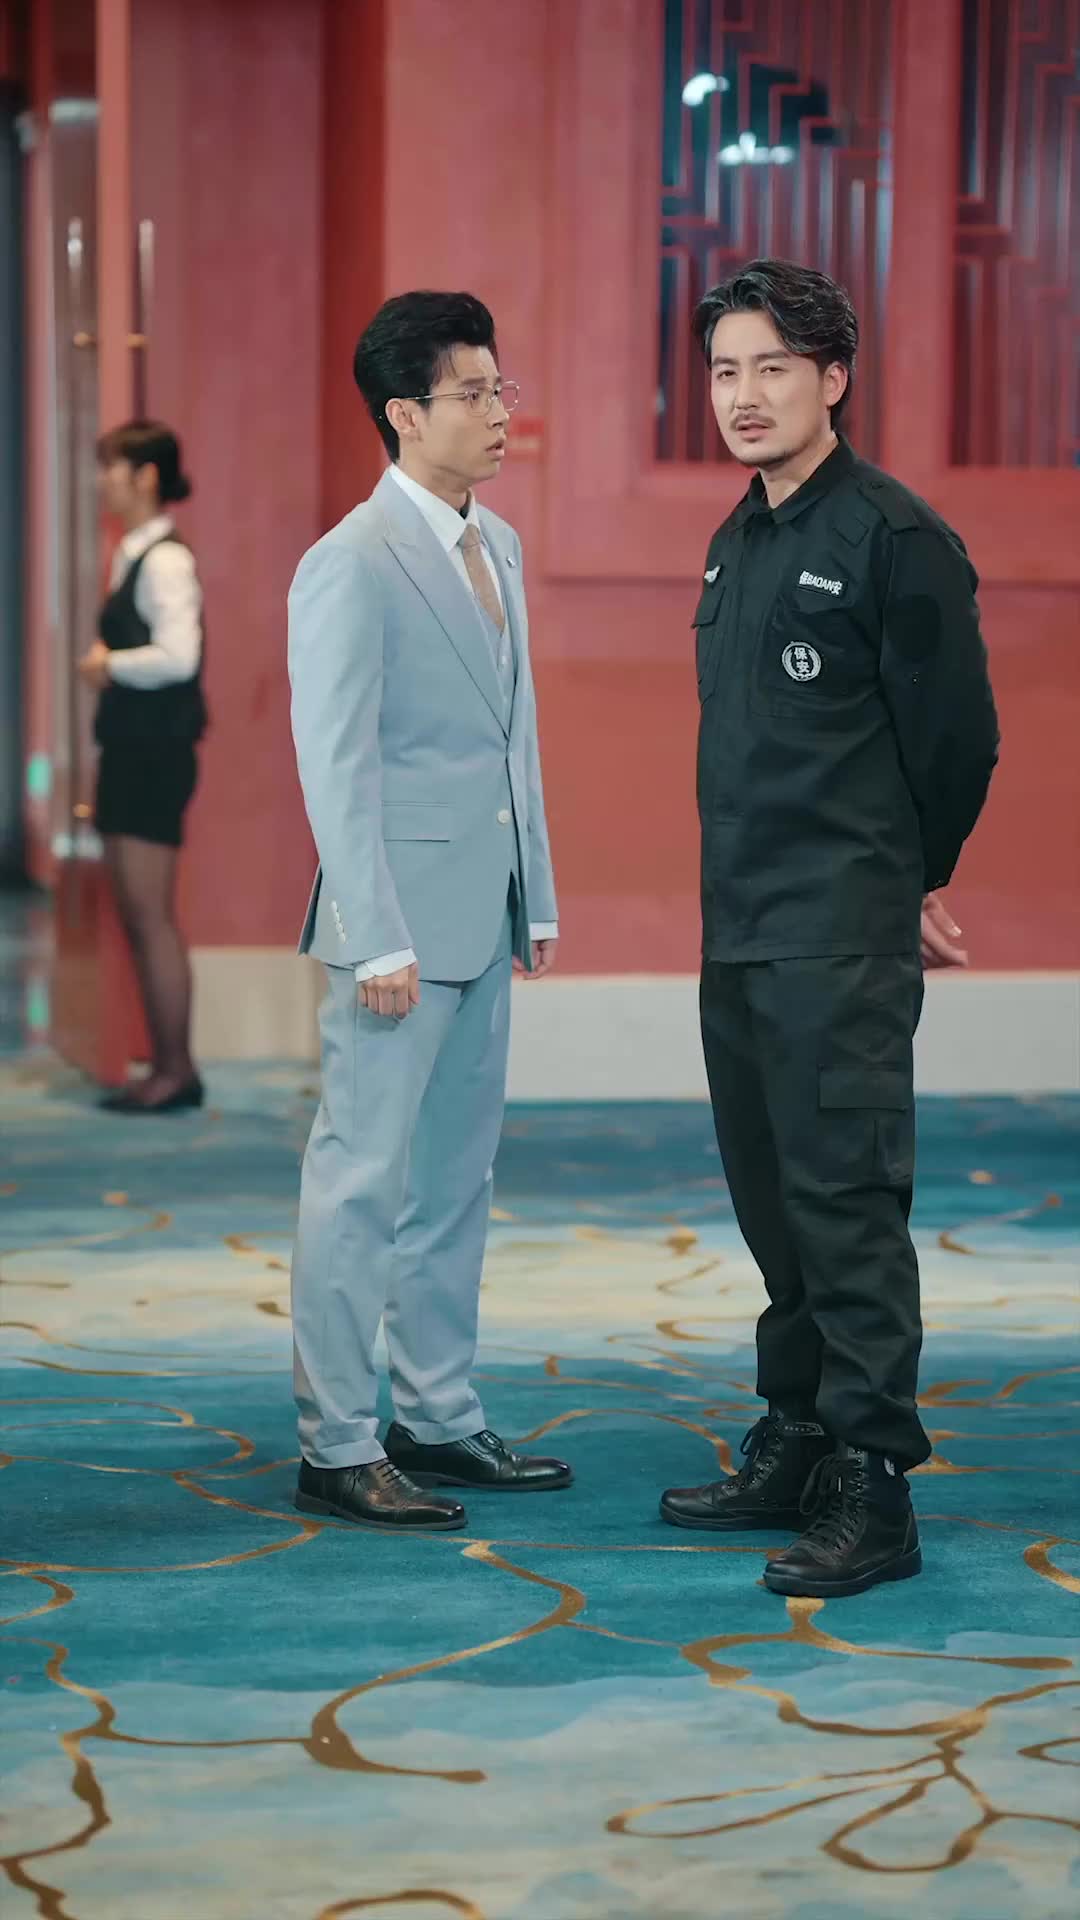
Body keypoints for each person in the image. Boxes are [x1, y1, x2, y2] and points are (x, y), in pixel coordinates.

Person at [659, 260, 999, 1597]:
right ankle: (797, 1435)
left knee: (848, 1204)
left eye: (772, 369)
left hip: (838, 931)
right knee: (773, 1203)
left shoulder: (894, 537)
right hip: (740, 926)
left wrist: (909, 876)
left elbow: (957, 741)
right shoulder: (737, 538)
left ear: (833, 378)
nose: (743, 396)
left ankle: (873, 1480)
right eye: (724, 371)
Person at [287, 290, 570, 1533]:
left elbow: (515, 742)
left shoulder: (495, 542)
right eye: (474, 393)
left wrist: (535, 893)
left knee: (456, 1182)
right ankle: (337, 1442)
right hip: (393, 936)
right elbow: (335, 766)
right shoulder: (349, 562)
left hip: (485, 915)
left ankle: (439, 1414)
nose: (500, 412)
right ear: (405, 414)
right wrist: (377, 934)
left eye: (501, 389)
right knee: (360, 1185)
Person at [78, 421, 207, 1114]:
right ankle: (167, 1066)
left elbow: (180, 657)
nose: (103, 481)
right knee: (138, 911)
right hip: (134, 750)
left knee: (151, 915)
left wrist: (110, 665)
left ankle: (175, 1071)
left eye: (113, 467)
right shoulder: (134, 553)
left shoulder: (165, 561)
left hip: (155, 756)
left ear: (146, 476)